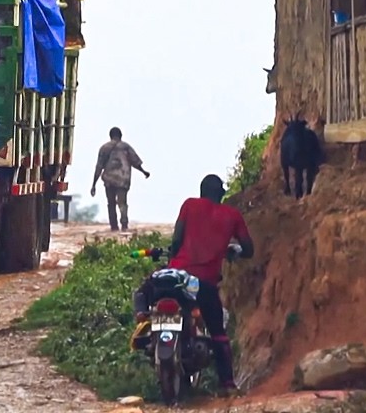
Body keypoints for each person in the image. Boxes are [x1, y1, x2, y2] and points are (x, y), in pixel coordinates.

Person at [134, 174, 253, 395]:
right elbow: (249, 249)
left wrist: (174, 258)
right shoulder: (232, 215)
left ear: (201, 192)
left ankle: (142, 319)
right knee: (217, 331)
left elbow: (177, 239)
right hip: (204, 283)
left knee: (143, 291)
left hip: (176, 274)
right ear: (222, 194)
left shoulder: (189, 205)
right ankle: (226, 384)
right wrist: (234, 250)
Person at [90, 126, 149, 232]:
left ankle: (114, 226)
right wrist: (144, 171)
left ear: (110, 136)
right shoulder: (126, 147)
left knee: (111, 203)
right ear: (121, 136)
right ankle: (124, 224)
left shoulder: (104, 148)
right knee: (122, 203)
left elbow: (99, 167)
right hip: (123, 179)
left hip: (109, 180)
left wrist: (94, 184)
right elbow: (135, 162)